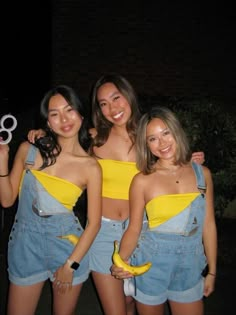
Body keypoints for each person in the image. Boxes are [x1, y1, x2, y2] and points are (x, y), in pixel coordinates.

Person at [27, 74, 205, 315]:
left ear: (128, 96)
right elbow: (63, 138)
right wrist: (41, 133)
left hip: (143, 232)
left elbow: (172, 158)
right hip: (103, 233)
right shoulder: (92, 137)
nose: (112, 108)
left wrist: (189, 161)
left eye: (116, 98)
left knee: (134, 302)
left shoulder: (149, 136)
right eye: (103, 104)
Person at [0, 85, 102, 315]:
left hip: (67, 248)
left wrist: (71, 264)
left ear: (81, 114)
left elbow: (94, 223)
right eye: (54, 114)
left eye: (69, 110)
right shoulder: (29, 150)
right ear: (47, 122)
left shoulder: (91, 166)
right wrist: (1, 160)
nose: (63, 119)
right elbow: (7, 200)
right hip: (25, 246)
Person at [111, 106, 217, 315]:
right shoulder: (142, 180)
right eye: (153, 139)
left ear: (176, 131)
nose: (162, 143)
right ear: (146, 144)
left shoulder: (202, 174)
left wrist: (212, 271)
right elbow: (134, 229)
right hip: (151, 264)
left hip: (191, 265)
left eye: (166, 133)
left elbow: (209, 224)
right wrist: (120, 261)